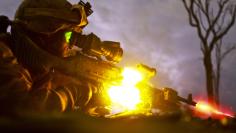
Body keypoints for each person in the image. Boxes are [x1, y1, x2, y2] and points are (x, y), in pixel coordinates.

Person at [0, 0, 116, 115]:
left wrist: (86, 109)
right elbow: (25, 110)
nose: (70, 45)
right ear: (45, 34)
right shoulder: (3, 53)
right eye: (68, 35)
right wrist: (76, 92)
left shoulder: (34, 67)